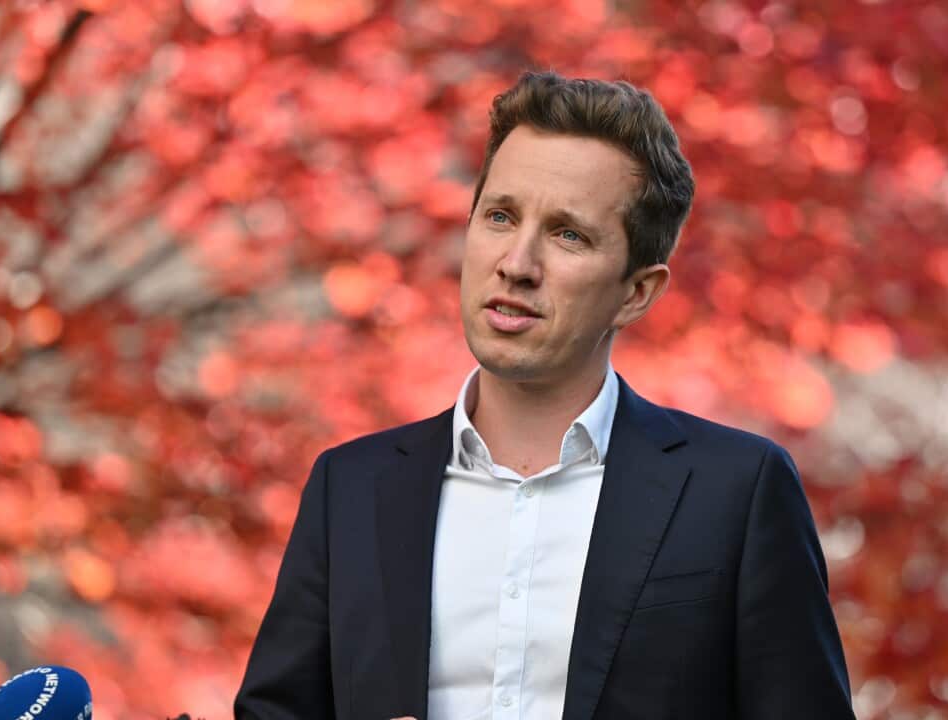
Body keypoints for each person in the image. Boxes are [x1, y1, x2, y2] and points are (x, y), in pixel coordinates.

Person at [234, 71, 855, 720]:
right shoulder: (349, 487)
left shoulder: (738, 491)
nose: (517, 263)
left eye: (568, 235)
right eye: (500, 216)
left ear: (636, 291)